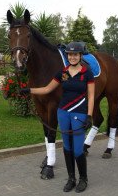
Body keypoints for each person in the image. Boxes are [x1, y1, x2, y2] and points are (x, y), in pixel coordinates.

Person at [20, 41, 95, 193]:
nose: (72, 57)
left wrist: (89, 116)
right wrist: (29, 90)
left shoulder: (87, 73)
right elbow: (47, 89)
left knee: (78, 149)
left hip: (79, 113)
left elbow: (91, 96)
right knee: (67, 148)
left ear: (80, 56)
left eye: (75, 54)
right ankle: (71, 178)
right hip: (63, 113)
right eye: (70, 54)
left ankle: (83, 179)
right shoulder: (63, 73)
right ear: (68, 56)